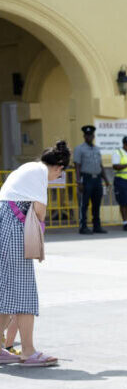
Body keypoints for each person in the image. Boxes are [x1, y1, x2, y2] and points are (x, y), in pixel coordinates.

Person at [0, 140, 70, 367]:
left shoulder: (28, 168)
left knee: (7, 294)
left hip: (6, 227)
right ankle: (28, 351)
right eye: (60, 172)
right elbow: (40, 210)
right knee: (23, 292)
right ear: (58, 166)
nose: (57, 176)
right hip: (13, 231)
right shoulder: (39, 173)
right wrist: (41, 230)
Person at [73, 125, 108, 234]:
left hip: (97, 179)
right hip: (86, 178)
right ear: (84, 136)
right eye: (87, 135)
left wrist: (105, 179)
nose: (89, 137)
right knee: (84, 204)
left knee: (96, 203)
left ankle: (97, 226)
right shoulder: (79, 149)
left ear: (93, 136)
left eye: (91, 135)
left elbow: (100, 165)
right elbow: (77, 166)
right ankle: (83, 226)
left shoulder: (97, 149)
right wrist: (79, 181)